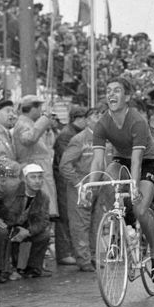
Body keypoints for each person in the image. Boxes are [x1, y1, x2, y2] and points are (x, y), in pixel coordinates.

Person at [88, 76, 154, 283]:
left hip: (147, 161)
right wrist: (90, 184)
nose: (111, 94)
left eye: (117, 90)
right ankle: (118, 233)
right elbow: (97, 161)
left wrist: (134, 189)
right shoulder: (102, 123)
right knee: (107, 181)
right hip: (121, 158)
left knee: (139, 209)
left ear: (127, 97)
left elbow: (137, 161)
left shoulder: (137, 121)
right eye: (108, 90)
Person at [0, 162, 52, 282]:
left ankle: (32, 268)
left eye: (40, 177)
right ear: (25, 179)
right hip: (1, 224)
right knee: (1, 231)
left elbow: (43, 220)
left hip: (19, 227)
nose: (37, 181)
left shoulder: (43, 197)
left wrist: (28, 231)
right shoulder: (9, 189)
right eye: (33, 177)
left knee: (44, 235)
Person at [59, 107, 102, 271]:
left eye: (102, 115)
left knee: (96, 224)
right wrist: (78, 183)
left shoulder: (106, 139)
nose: (99, 118)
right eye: (96, 115)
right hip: (82, 187)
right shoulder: (80, 139)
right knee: (80, 224)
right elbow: (65, 164)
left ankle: (94, 257)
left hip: (100, 186)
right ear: (87, 119)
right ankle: (84, 260)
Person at [52, 105, 90, 267]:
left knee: (75, 217)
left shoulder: (74, 134)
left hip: (73, 179)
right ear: (78, 118)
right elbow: (66, 161)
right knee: (65, 216)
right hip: (66, 180)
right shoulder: (67, 135)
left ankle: (74, 251)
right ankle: (64, 252)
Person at [12, 94, 58, 218]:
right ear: (32, 108)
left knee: (41, 211)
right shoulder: (23, 124)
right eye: (39, 108)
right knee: (36, 211)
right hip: (32, 170)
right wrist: (45, 119)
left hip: (37, 169)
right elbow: (29, 138)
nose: (41, 112)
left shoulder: (29, 123)